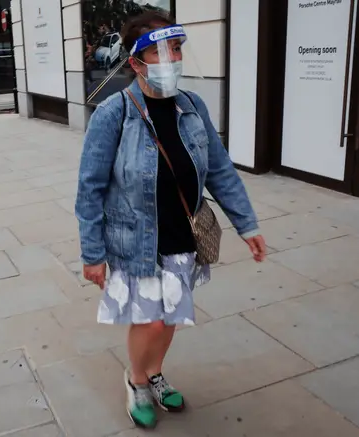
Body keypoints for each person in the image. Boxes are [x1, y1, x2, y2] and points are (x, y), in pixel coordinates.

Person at [75, 11, 267, 430]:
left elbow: (219, 170)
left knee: (172, 318)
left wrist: (247, 224)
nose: (172, 58)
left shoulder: (192, 106)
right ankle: (137, 379)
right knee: (153, 320)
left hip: (183, 235)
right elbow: (89, 189)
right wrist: (92, 254)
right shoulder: (113, 114)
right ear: (136, 63)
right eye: (161, 50)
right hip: (135, 241)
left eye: (176, 48)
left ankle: (155, 372)